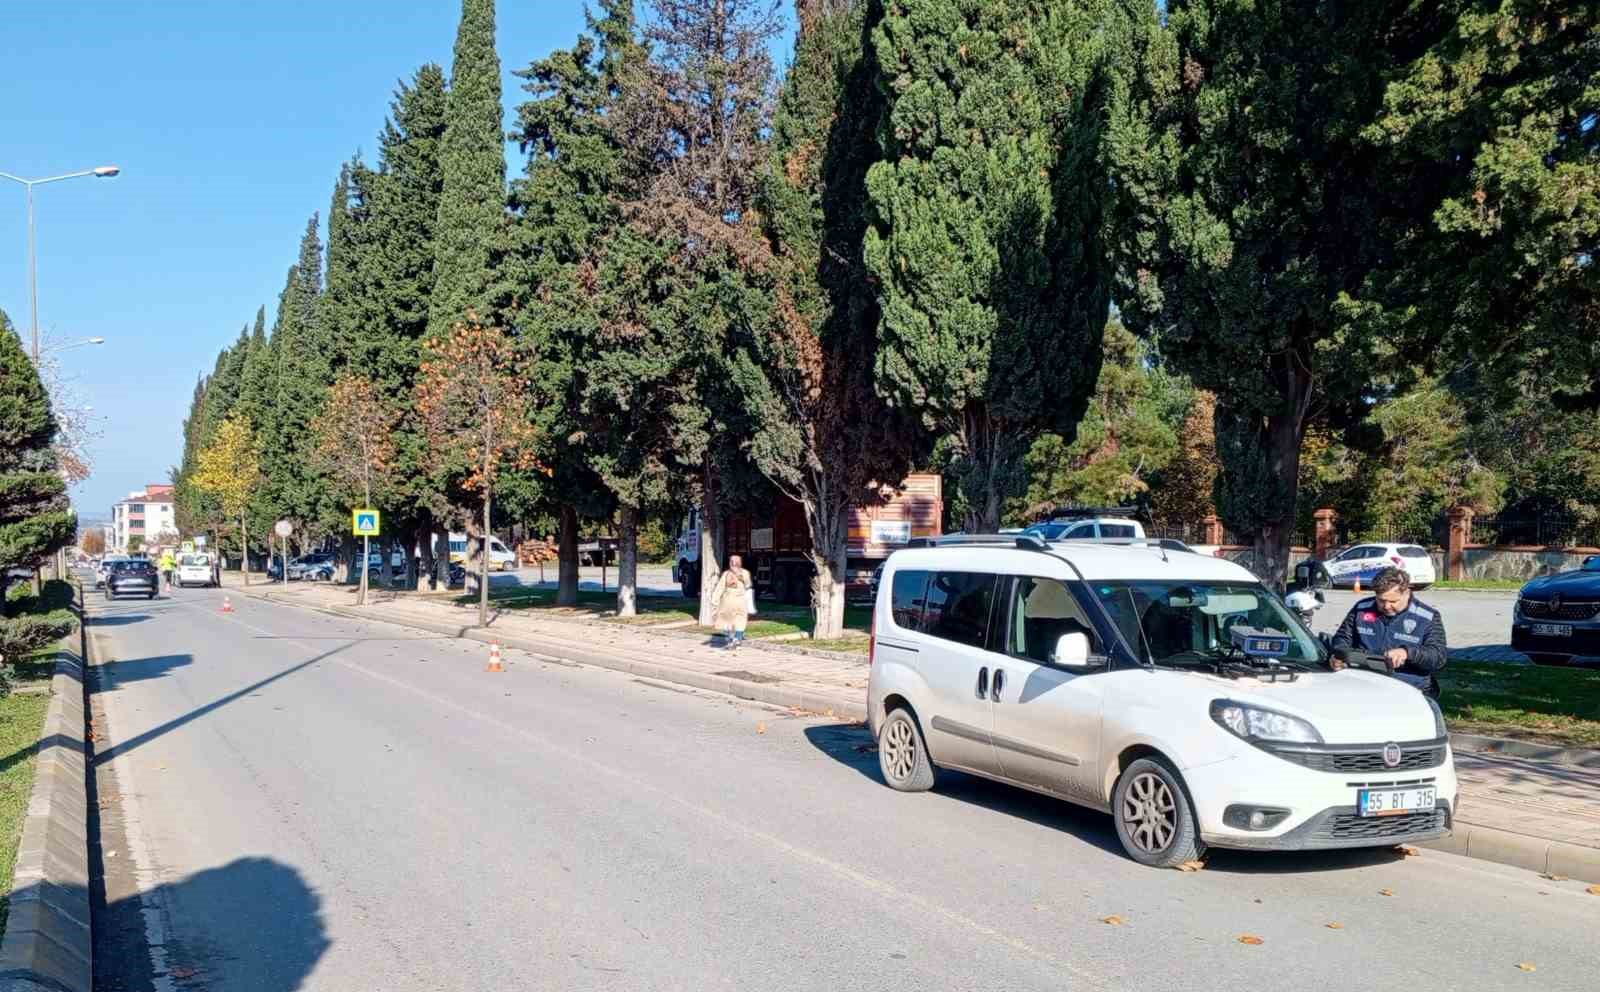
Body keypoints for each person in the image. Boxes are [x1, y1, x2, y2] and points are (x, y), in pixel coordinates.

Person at [1330, 567, 1446, 696]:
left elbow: (1438, 656)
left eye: (1393, 601)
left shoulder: (1427, 617)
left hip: (1410, 689)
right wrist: (1339, 656)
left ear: (1407, 593)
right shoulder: (1361, 609)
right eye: (1381, 600)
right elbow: (1341, 638)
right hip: (1364, 684)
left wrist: (1407, 653)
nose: (1386, 606)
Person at [710, 554, 755, 650]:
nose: (733, 564)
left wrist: (714, 600)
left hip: (734, 602)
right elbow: (747, 585)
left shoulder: (733, 574)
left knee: (733, 621)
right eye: (734, 562)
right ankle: (734, 639)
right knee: (734, 621)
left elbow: (720, 588)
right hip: (735, 602)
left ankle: (734, 639)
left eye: (734, 562)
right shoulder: (736, 573)